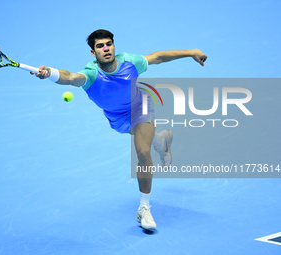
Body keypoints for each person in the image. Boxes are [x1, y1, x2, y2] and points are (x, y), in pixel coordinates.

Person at [32, 29, 207, 231]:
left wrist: (191, 51)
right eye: (100, 46)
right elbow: (70, 77)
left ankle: (144, 207)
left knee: (142, 151)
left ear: (114, 46)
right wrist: (50, 73)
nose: (106, 48)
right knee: (147, 141)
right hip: (117, 118)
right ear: (93, 53)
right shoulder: (90, 74)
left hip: (140, 105)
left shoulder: (129, 62)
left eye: (109, 44)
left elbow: (158, 57)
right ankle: (161, 141)